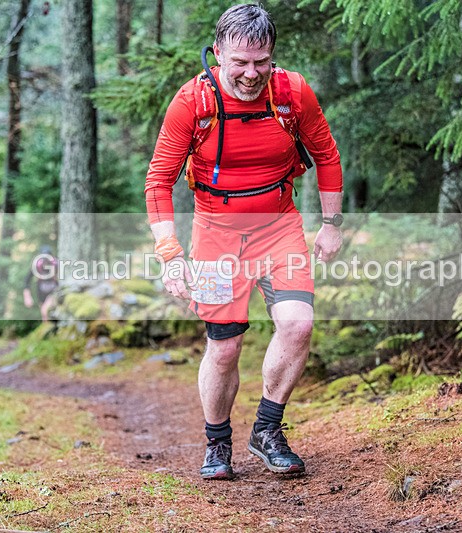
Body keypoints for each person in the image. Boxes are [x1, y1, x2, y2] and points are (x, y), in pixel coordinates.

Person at [145, 4, 343, 480]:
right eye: (240, 62)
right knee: (225, 346)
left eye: (262, 61)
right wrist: (171, 256)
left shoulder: (292, 93)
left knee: (297, 325)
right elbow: (158, 181)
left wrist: (332, 223)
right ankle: (217, 443)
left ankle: (267, 429)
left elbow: (326, 154)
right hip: (215, 234)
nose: (252, 73)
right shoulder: (193, 102)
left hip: (279, 226)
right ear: (218, 54)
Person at [23, 245, 58, 322]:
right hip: (41, 295)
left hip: (53, 292)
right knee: (44, 316)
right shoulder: (37, 266)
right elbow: (26, 280)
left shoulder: (56, 265)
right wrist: (27, 297)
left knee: (45, 311)